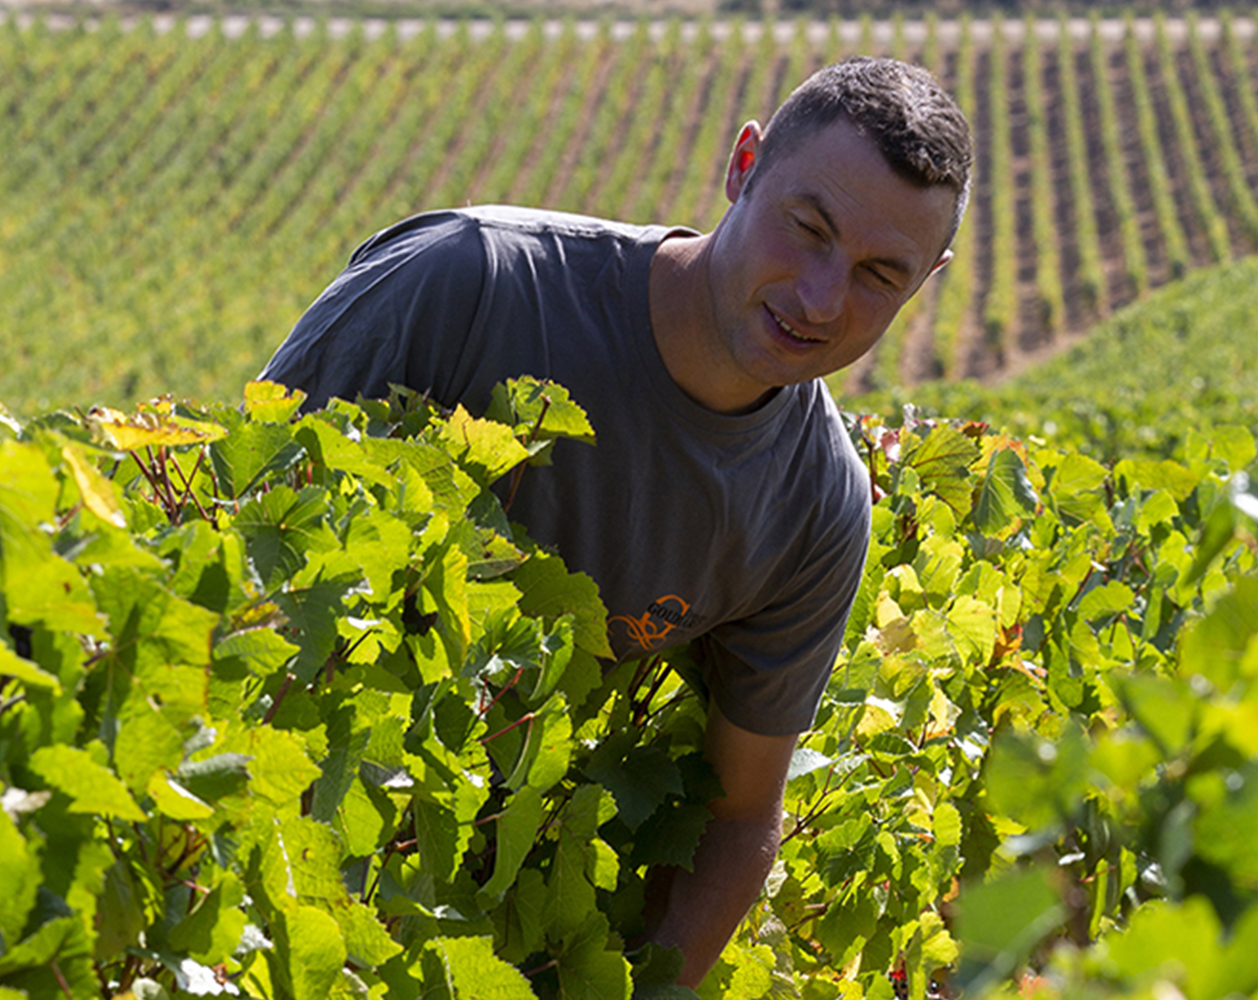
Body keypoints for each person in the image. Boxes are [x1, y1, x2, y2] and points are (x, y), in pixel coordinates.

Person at [258, 55, 971, 986]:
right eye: (808, 229)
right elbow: (240, 535)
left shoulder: (817, 508)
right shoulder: (467, 282)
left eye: (881, 275)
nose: (822, 298)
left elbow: (741, 812)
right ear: (743, 164)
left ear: (930, 281)